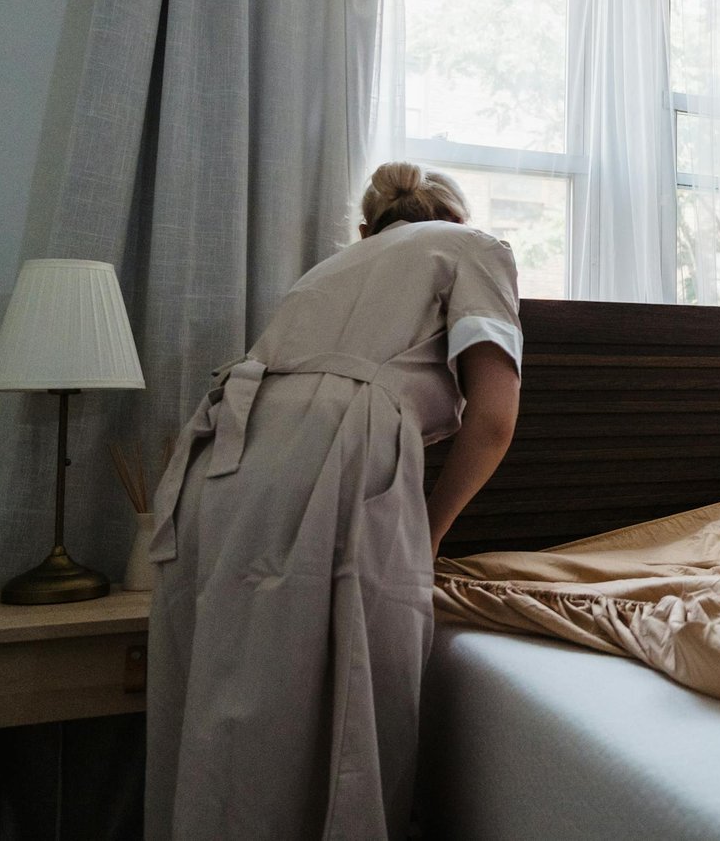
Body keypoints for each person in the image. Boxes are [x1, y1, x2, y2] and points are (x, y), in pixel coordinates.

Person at [144, 162, 523, 840]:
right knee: (338, 718)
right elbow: (493, 420)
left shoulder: (324, 273)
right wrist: (429, 538)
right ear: (452, 217)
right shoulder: (473, 247)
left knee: (227, 719)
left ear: (366, 228)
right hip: (330, 453)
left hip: (223, 461)